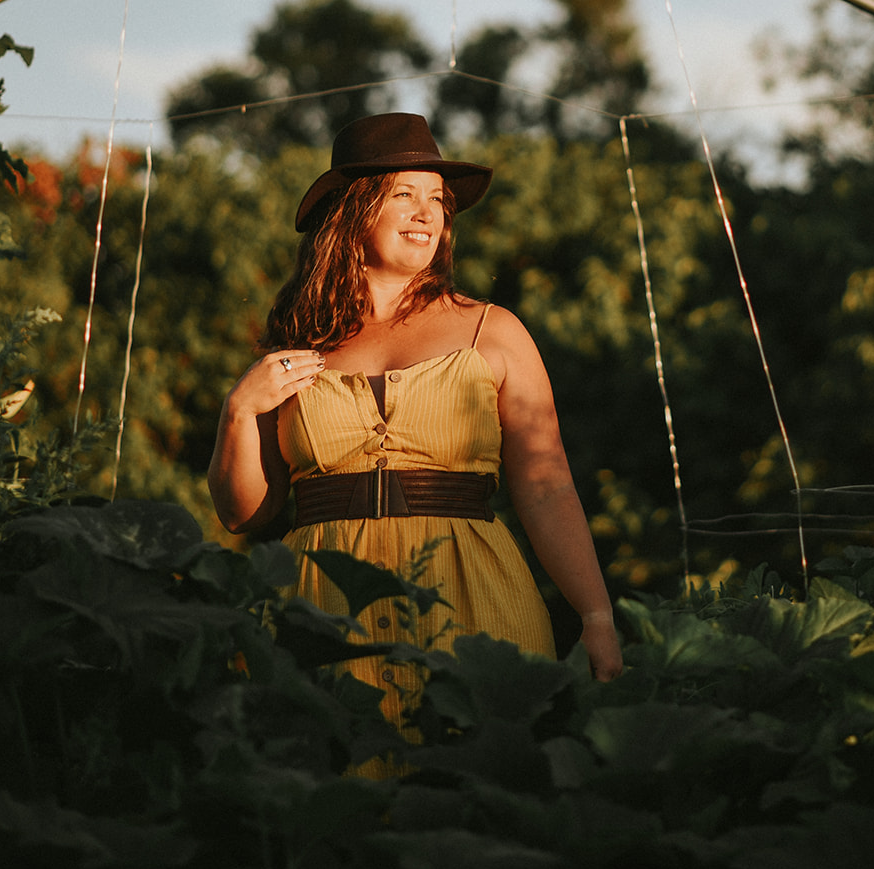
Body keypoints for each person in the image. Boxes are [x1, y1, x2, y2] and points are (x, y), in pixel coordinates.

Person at [207, 112, 623, 738]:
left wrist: (594, 615)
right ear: (353, 208)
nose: (428, 214)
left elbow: (546, 485)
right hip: (322, 608)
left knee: (474, 790)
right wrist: (238, 411)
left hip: (473, 595)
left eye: (438, 201)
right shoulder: (297, 345)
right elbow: (246, 515)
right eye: (404, 194)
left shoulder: (495, 329)